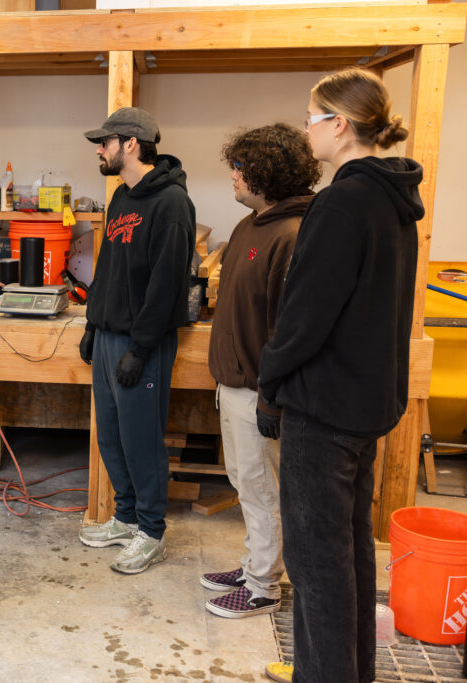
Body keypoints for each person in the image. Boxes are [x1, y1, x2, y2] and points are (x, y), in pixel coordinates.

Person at [258, 69, 423, 683]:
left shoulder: (343, 201)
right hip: (366, 402)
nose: (306, 130)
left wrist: (271, 380)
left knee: (316, 564)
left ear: (341, 125)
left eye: (311, 117)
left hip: (323, 410)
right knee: (349, 554)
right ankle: (338, 670)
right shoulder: (391, 197)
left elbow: (306, 315)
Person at [201, 124, 319, 619]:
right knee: (243, 479)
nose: (233, 176)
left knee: (262, 486)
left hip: (260, 390)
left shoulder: (294, 234)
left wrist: (272, 397)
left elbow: (290, 328)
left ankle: (264, 586)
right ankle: (255, 563)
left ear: (267, 173)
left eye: (241, 167)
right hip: (233, 382)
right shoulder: (251, 225)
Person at [77, 108, 196, 574]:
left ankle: (151, 531)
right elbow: (107, 271)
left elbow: (167, 285)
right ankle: (125, 518)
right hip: (109, 337)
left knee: (142, 440)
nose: (99, 150)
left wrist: (140, 349)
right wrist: (92, 325)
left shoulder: (171, 204)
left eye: (104, 142)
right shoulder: (122, 198)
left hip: (140, 346)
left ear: (130, 144)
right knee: (111, 436)